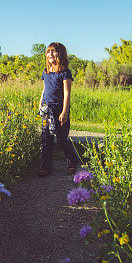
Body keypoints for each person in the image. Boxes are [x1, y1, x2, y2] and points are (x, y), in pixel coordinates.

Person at [37, 42, 82, 177]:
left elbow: (67, 93)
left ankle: (73, 161)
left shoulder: (65, 72)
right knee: (46, 138)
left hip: (59, 109)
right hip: (47, 109)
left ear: (60, 54)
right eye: (48, 51)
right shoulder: (46, 72)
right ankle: (45, 167)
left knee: (62, 139)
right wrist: (40, 102)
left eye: (54, 51)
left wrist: (64, 112)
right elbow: (44, 89)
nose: (50, 54)